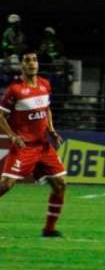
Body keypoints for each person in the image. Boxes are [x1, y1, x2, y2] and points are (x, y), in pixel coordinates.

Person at [0, 52, 67, 238]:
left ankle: (49, 229)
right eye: (27, 60)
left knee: (60, 184)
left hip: (44, 146)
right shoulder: (15, 90)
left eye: (34, 60)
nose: (32, 63)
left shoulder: (45, 84)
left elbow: (46, 109)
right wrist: (12, 136)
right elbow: (1, 116)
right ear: (22, 65)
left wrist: (52, 130)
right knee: (5, 185)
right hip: (24, 147)